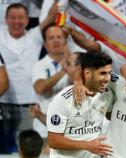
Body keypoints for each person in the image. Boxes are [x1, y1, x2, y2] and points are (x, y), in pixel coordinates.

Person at [0, 2, 58, 154]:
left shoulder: (35, 36)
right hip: (2, 103)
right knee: (3, 151)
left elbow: (52, 16)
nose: (17, 21)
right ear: (5, 20)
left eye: (20, 17)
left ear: (27, 19)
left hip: (29, 106)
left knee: (26, 151)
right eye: (12, 18)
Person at [47, 51, 114, 158]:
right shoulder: (63, 99)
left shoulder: (107, 95)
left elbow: (111, 116)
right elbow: (53, 141)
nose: (107, 78)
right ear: (87, 74)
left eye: (109, 73)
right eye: (102, 73)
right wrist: (87, 146)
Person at [31, 24, 77, 154]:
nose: (56, 40)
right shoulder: (39, 65)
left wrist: (70, 66)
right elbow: (40, 88)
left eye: (59, 37)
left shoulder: (77, 63)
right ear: (45, 44)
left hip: (71, 129)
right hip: (44, 130)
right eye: (51, 38)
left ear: (65, 41)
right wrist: (64, 71)